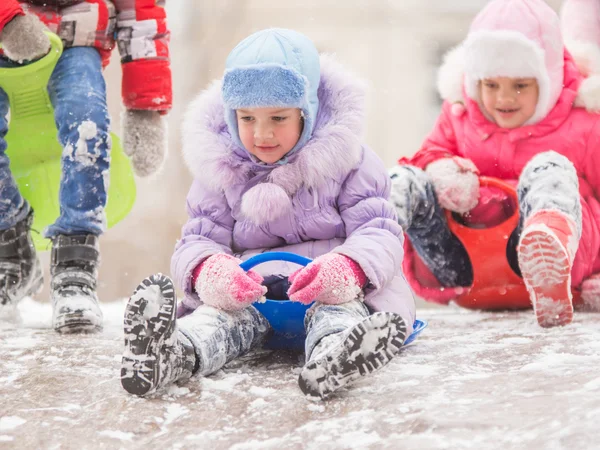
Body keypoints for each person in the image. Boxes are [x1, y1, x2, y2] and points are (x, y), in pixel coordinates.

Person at [120, 28, 416, 400]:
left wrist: (349, 268)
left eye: (278, 118)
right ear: (231, 116)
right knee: (218, 321)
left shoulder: (349, 162)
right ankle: (174, 354)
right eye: (247, 118)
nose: (262, 134)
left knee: (337, 314)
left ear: (307, 112)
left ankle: (336, 356)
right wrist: (209, 271)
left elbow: (379, 231)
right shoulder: (221, 171)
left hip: (330, 289)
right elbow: (198, 238)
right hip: (253, 294)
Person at [389, 0, 600, 328]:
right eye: (491, 84)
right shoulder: (459, 114)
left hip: (550, 260)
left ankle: (547, 250)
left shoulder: (585, 123)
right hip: (463, 261)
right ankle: (371, 257)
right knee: (405, 179)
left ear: (549, 79)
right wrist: (442, 170)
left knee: (549, 168)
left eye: (519, 85)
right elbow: (429, 153)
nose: (503, 98)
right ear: (474, 80)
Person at [0, 0, 171, 332]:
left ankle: (75, 272)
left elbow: (142, 13)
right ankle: (11, 251)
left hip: (75, 44)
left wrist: (145, 106)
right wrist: (7, 18)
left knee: (87, 125)